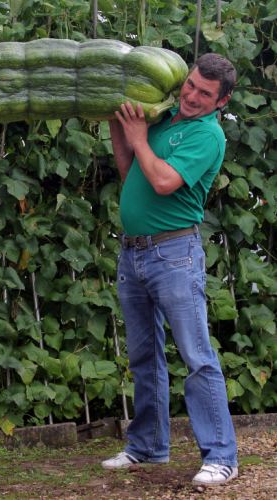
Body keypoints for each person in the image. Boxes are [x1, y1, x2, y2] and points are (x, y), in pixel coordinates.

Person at [101, 53, 238, 486]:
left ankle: (221, 456)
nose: (193, 96)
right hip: (134, 253)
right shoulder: (163, 122)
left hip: (174, 254)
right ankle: (148, 447)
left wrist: (140, 138)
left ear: (222, 101)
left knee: (197, 357)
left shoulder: (207, 135)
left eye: (205, 93)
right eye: (192, 85)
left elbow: (163, 183)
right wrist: (119, 128)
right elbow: (132, 173)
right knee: (144, 357)